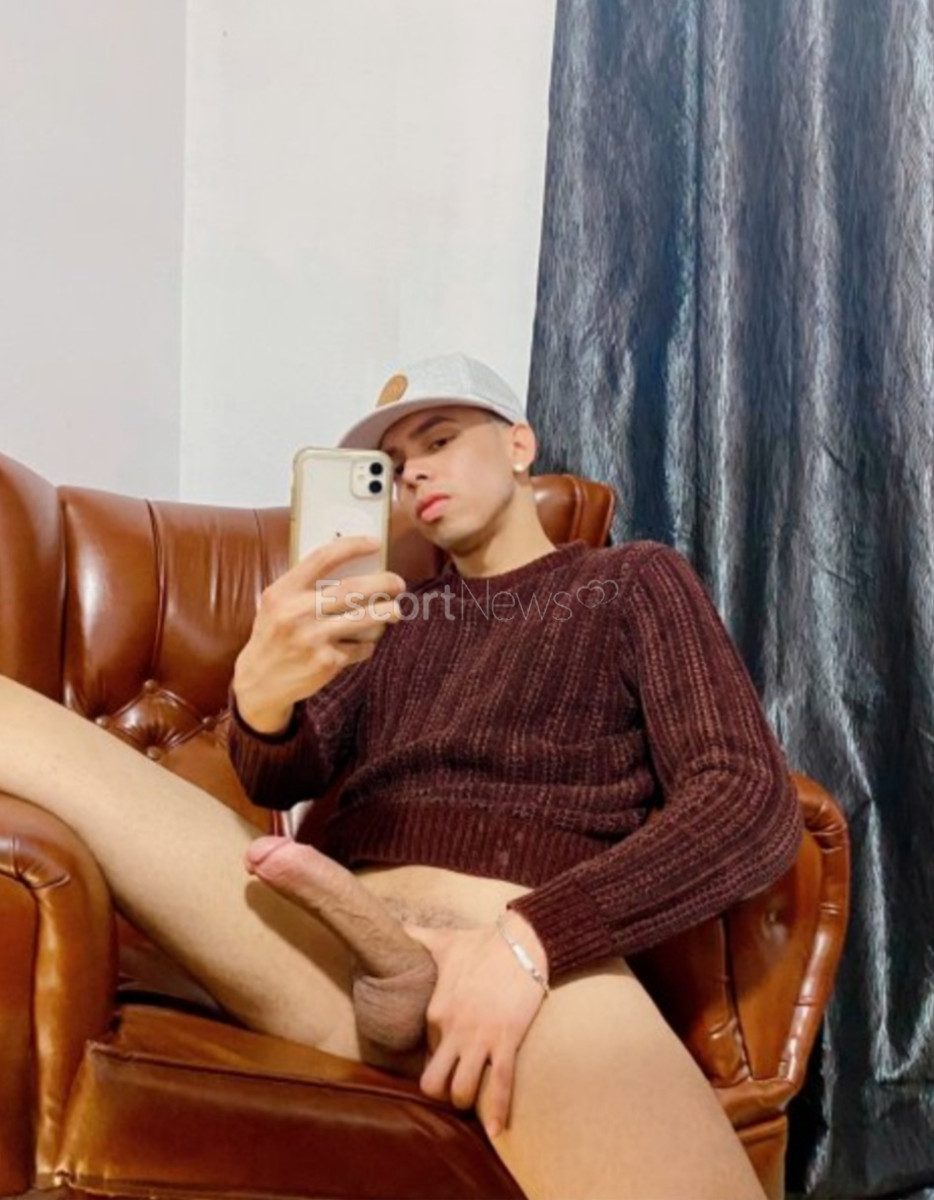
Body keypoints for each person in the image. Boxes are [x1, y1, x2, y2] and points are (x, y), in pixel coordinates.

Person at [0, 352, 802, 1200]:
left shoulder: (630, 580)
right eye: (392, 462)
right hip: (322, 936)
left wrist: (534, 941)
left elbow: (746, 797)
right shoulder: (393, 615)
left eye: (439, 439)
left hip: (514, 958)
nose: (413, 471)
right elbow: (282, 775)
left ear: (520, 446)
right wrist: (260, 700)